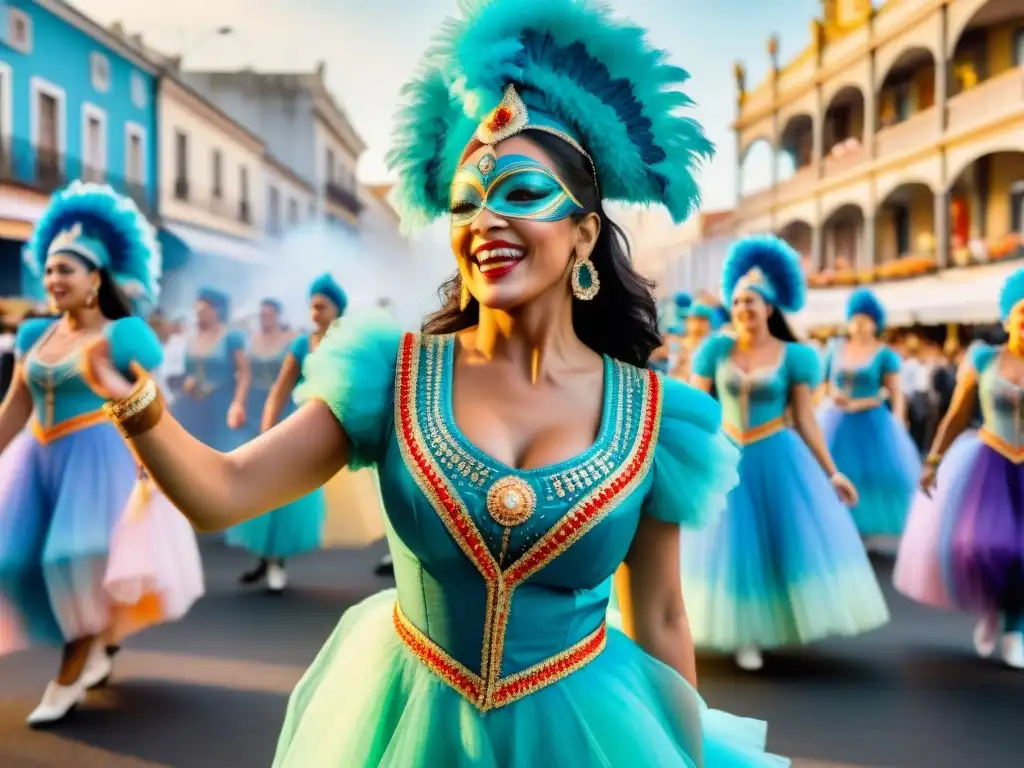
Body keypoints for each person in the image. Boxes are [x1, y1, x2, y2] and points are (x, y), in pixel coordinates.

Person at [80, 1, 788, 764]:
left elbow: (662, 617)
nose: (485, 220)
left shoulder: (657, 417)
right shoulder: (390, 375)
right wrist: (135, 402)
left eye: (520, 193)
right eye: (465, 202)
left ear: (584, 233)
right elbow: (224, 490)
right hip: (407, 727)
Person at [0, 182, 203, 726]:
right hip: (36, 462)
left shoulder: (125, 334)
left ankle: (68, 677)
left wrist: (156, 459)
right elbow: (16, 407)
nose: (53, 279)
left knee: (72, 560)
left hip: (100, 463)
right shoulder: (32, 335)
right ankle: (97, 640)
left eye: (66, 269)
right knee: (15, 561)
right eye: (47, 270)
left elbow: (154, 401)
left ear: (96, 280)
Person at [683, 236, 889, 672]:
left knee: (777, 545)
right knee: (731, 547)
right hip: (726, 457)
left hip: (776, 454)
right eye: (737, 301)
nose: (742, 308)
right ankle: (745, 634)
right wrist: (685, 453)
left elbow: (806, 418)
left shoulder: (794, 355)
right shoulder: (716, 350)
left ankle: (768, 627)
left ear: (770, 309)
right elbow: (698, 408)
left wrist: (832, 472)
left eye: (752, 301)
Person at [894, 267, 1024, 669]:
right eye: (1023, 313)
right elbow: (955, 415)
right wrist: (932, 460)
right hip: (989, 461)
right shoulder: (983, 359)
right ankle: (991, 609)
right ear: (1010, 319)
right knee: (984, 545)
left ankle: (1015, 627)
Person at [819, 288, 920, 548]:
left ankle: (865, 530)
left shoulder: (885, 354)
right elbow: (824, 384)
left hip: (873, 422)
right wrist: (833, 395)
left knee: (874, 476)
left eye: (865, 320)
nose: (859, 325)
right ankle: (837, 528)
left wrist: (897, 424)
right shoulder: (835, 348)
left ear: (875, 323)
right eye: (855, 319)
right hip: (838, 421)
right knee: (836, 471)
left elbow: (897, 394)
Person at [225, 298, 306, 591]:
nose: (265, 318)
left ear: (280, 314)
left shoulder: (293, 341)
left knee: (279, 487)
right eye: (262, 313)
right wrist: (239, 404)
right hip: (255, 414)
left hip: (284, 412)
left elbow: (300, 378)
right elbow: (244, 376)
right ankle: (262, 559)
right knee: (254, 484)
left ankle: (277, 562)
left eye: (270, 313)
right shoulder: (252, 340)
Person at [173, 287, 251, 451]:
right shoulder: (190, 336)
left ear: (217, 311)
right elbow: (180, 369)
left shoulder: (231, 337)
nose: (201, 312)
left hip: (220, 406)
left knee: (218, 450)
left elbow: (244, 373)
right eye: (199, 308)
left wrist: (238, 403)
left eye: (206, 308)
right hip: (192, 406)